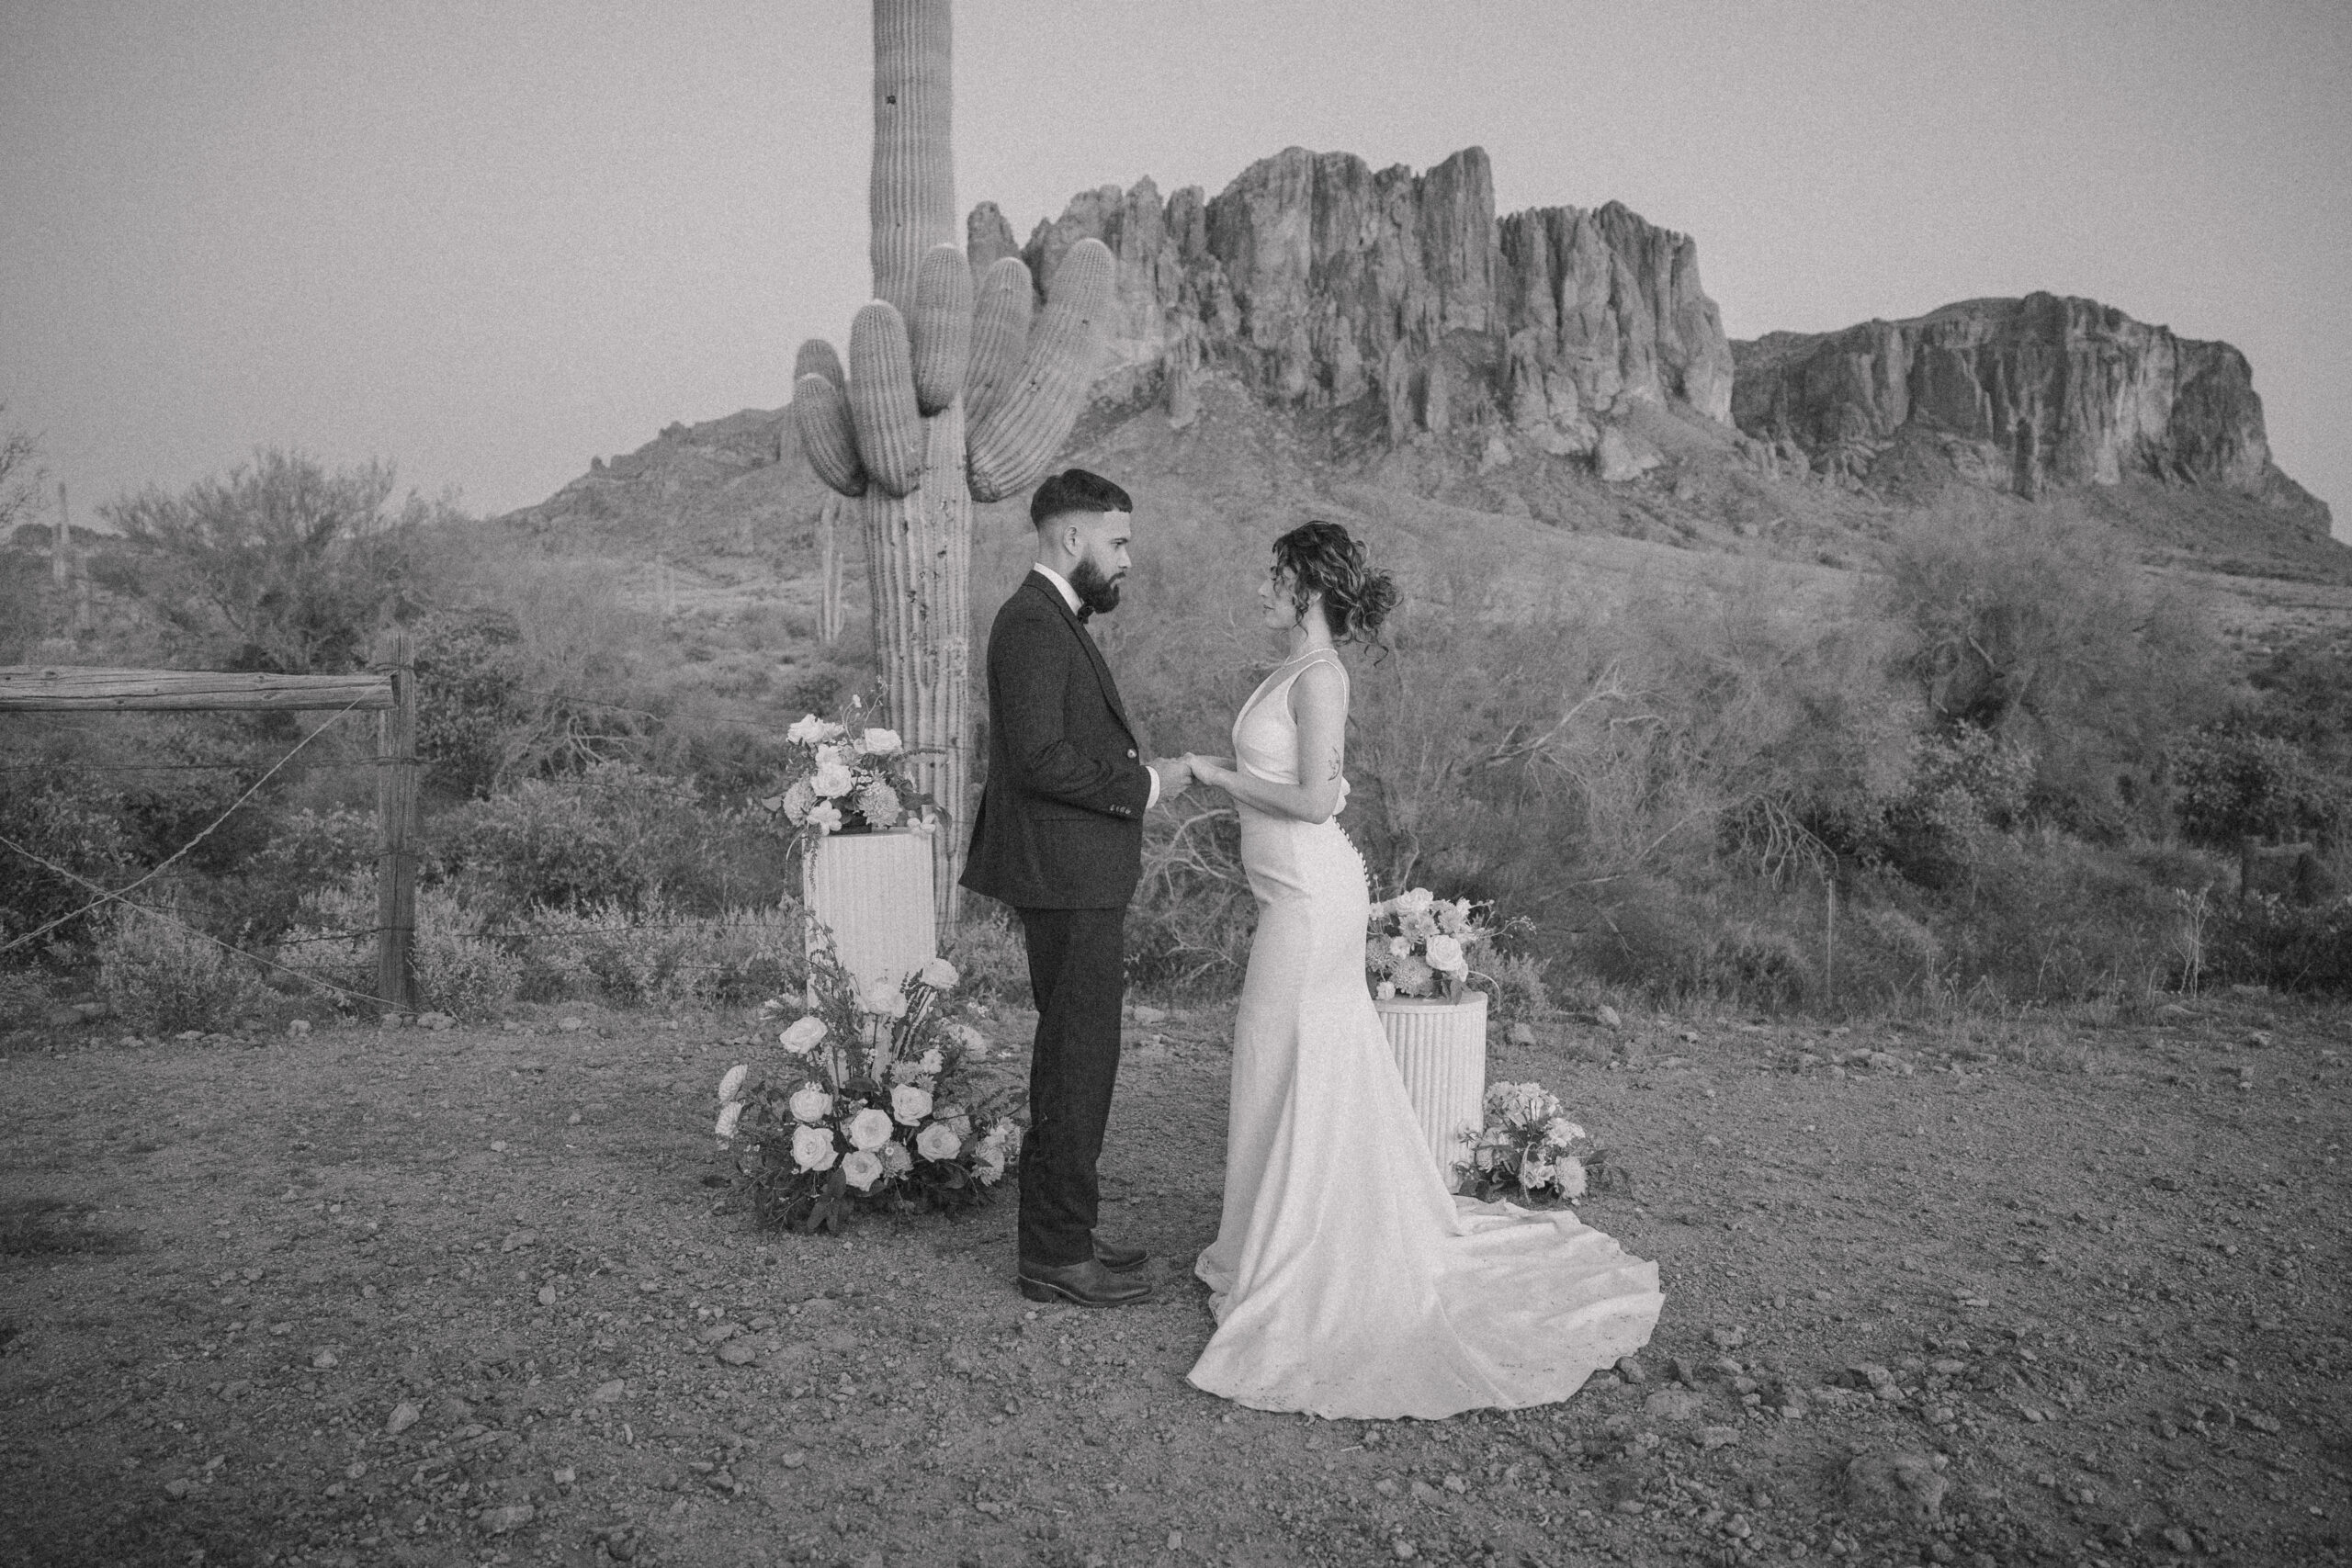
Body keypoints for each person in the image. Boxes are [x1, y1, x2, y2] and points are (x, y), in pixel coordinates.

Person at [1178, 522, 1664, 1418]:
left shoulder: (1322, 676)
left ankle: (1300, 1251)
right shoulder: (1292, 671)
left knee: (1285, 1049)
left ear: (1303, 584)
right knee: (1274, 1055)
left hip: (1311, 896)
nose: (1259, 584)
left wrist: (1216, 775)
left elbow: (1319, 799)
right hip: (1288, 889)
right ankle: (1262, 1236)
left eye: (1270, 572)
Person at [961, 468, 1193, 1309]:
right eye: (1118, 541)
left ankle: (1070, 1232)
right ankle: (1054, 1254)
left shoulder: (1053, 617)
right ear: (1072, 538)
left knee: (1082, 1056)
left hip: (1077, 875)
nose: (1128, 559)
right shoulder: (1030, 622)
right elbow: (1040, 758)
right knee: (1074, 1061)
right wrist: (1147, 786)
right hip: (1064, 878)